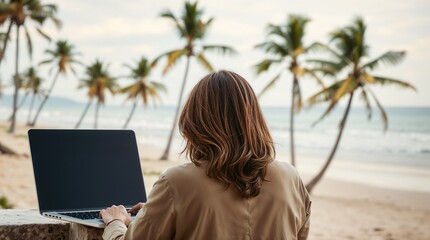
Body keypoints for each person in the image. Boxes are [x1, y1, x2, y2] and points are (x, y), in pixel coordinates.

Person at [100, 70, 311, 240]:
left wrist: (115, 222)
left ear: (195, 124)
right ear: (254, 119)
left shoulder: (177, 183)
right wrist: (155, 215)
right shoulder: (291, 178)